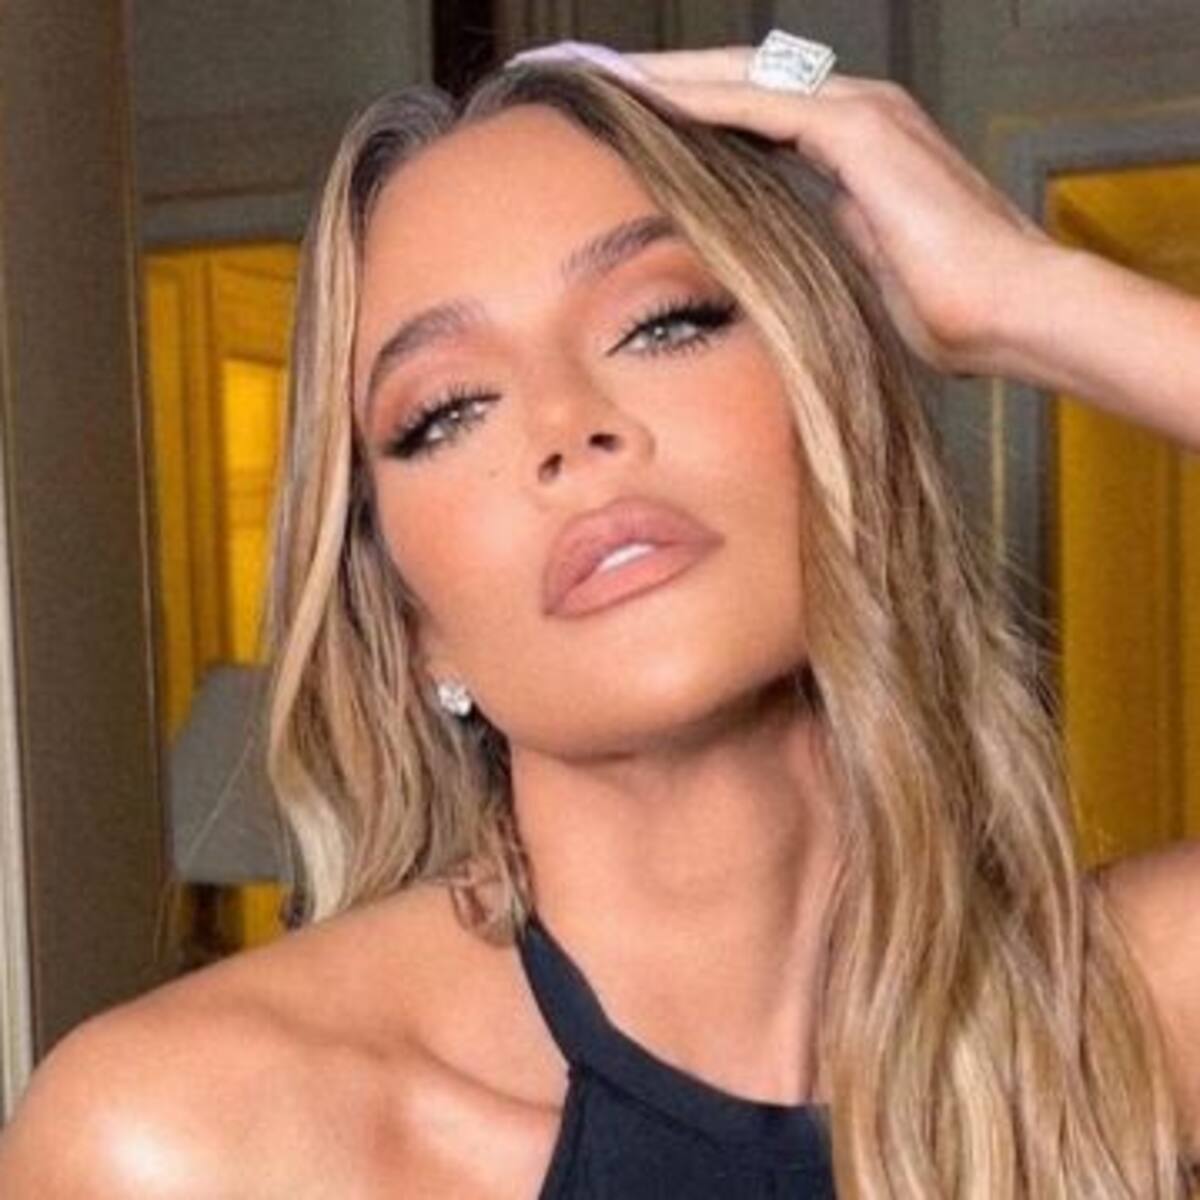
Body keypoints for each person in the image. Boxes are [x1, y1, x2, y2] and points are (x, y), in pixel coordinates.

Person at [2, 38, 1199, 1198]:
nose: (568, 426)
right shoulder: (190, 1144)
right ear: (410, 626)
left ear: (834, 407)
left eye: (664, 322)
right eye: (446, 411)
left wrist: (1024, 296)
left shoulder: (1115, 1025)